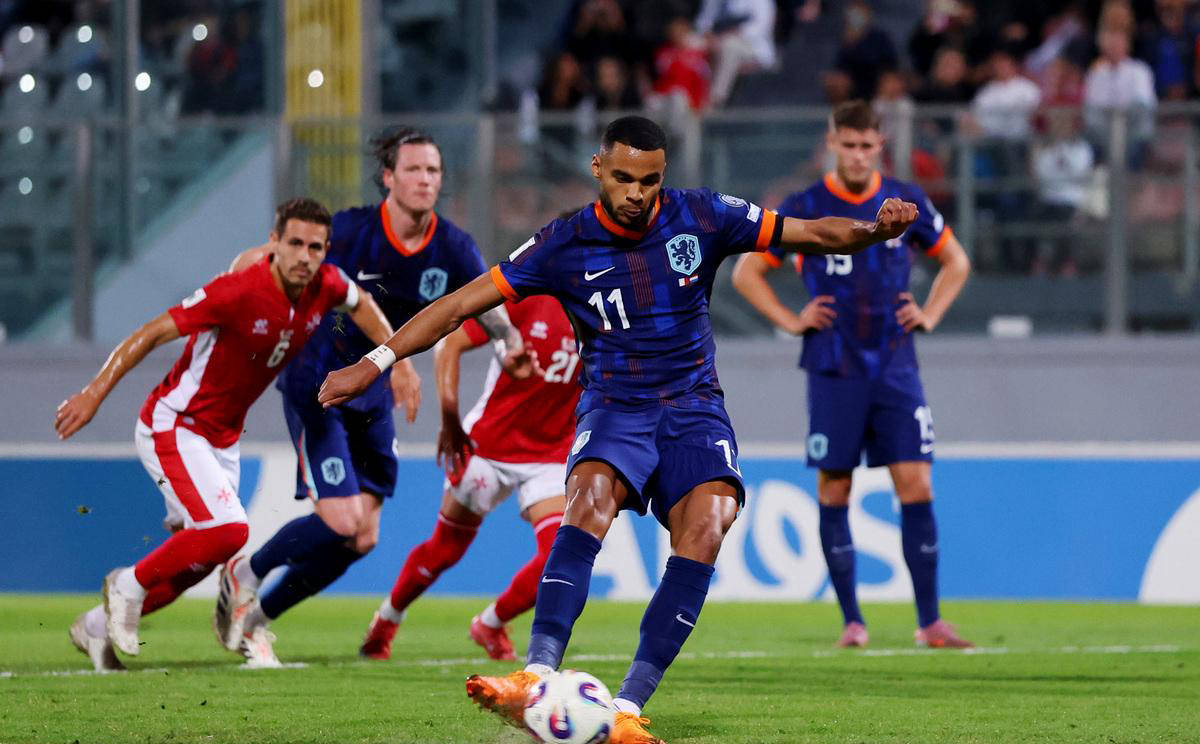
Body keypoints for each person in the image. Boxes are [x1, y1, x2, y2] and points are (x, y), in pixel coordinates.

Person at [317, 115, 917, 744]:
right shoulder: (563, 242)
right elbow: (457, 305)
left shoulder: (703, 215)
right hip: (614, 406)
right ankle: (534, 677)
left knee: (709, 525)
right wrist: (374, 362)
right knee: (588, 502)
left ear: (664, 175)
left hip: (693, 407)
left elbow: (810, 232)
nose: (636, 193)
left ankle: (628, 709)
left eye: (649, 181)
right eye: (624, 177)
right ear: (598, 168)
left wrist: (874, 231)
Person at [214, 127, 524, 666]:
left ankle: (257, 619)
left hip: (375, 394)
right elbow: (273, 257)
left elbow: (488, 302)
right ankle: (245, 572)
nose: (425, 179)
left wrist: (511, 342)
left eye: (433, 170)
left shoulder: (453, 247)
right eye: (414, 169)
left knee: (362, 538)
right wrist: (236, 282)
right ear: (388, 177)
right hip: (321, 384)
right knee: (342, 520)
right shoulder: (353, 230)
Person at [56, 198, 392, 671]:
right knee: (228, 530)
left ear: (325, 251)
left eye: (315, 247)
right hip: (176, 423)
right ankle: (125, 585)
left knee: (200, 558)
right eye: (294, 243)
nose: (304, 256)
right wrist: (94, 392)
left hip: (221, 439)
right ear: (273, 242)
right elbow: (151, 333)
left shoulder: (326, 285)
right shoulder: (237, 291)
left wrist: (393, 361)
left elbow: (363, 304)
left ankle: (94, 626)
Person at [731, 101, 972, 650]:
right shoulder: (806, 206)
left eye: (867, 146)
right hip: (834, 363)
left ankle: (930, 621)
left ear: (879, 146)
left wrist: (930, 314)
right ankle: (853, 622)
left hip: (895, 362)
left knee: (916, 482)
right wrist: (791, 321)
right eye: (849, 145)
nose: (858, 156)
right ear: (832, 143)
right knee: (835, 485)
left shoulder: (906, 203)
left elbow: (956, 261)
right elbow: (748, 272)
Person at [359, 293, 580, 662]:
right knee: (445, 551)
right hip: (489, 447)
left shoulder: (609, 313)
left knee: (560, 557)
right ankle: (387, 618)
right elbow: (450, 343)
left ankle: (491, 624)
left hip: (552, 456)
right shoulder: (528, 297)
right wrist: (449, 419)